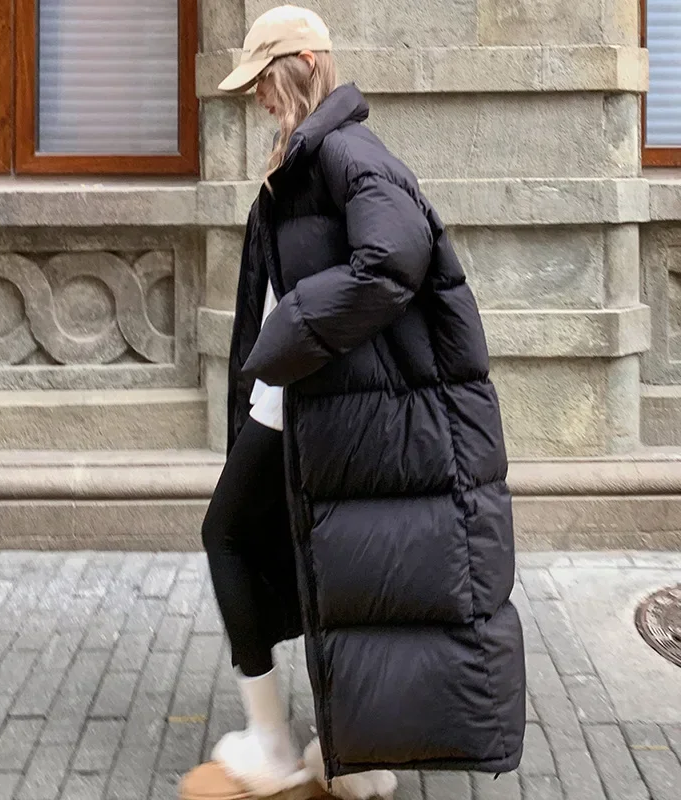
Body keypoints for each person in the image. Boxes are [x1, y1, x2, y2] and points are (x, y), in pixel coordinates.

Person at [197, 6, 526, 798]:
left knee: (231, 537)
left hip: (313, 395)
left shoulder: (345, 150)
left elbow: (394, 259)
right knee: (335, 562)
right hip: (310, 400)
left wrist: (286, 336)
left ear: (303, 64)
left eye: (265, 84)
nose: (260, 101)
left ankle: (280, 743)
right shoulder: (314, 151)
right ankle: (360, 756)